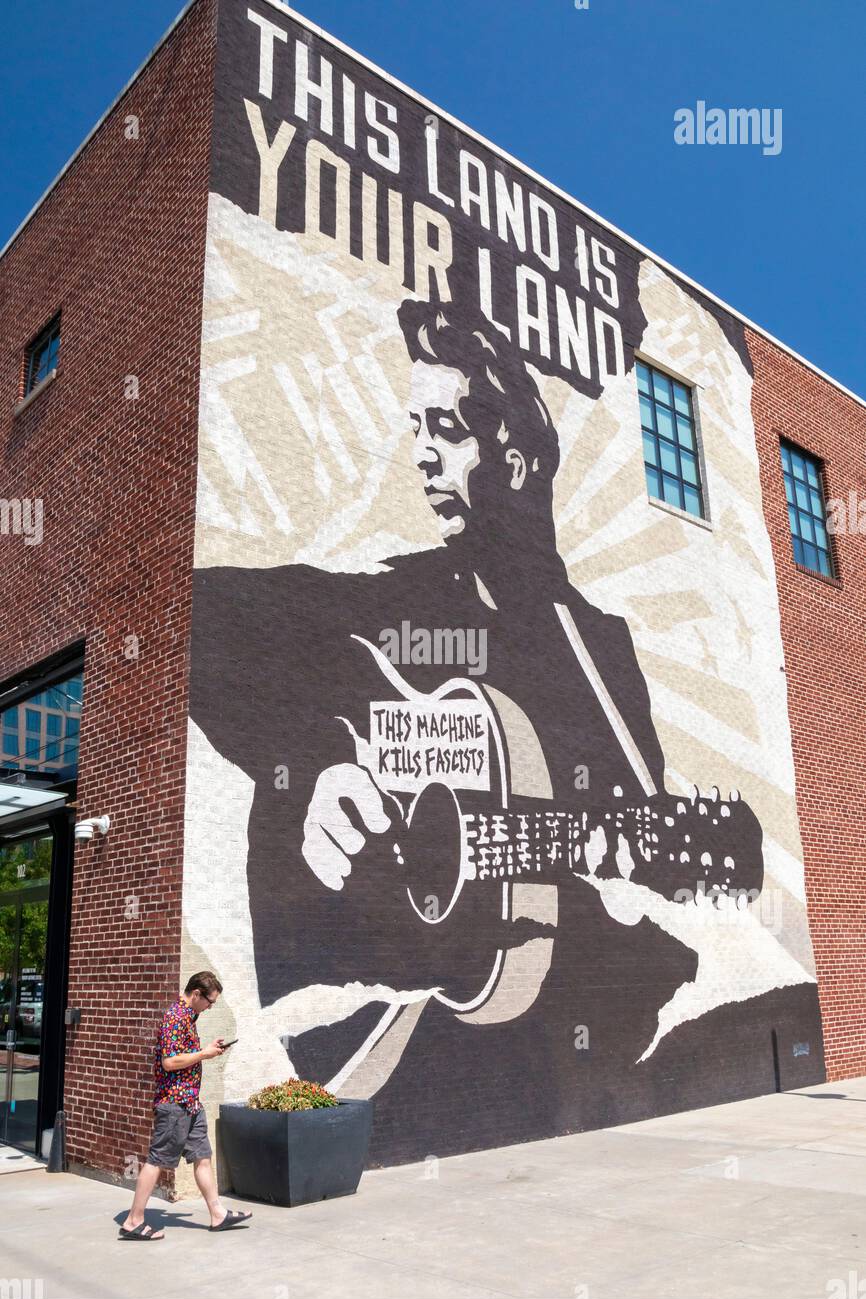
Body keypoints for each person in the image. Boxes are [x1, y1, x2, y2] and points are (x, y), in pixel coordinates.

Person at [189, 298, 824, 1166]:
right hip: (395, 1043)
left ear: (516, 458)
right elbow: (207, 612)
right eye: (417, 427)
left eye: (446, 430)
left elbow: (620, 871)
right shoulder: (397, 603)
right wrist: (319, 759)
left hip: (541, 1058)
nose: (421, 453)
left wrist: (629, 865)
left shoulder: (599, 652)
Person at [118, 971, 252, 1239]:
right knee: (157, 1160)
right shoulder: (175, 1018)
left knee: (202, 1156)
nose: (211, 1007)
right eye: (210, 1001)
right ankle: (134, 1221)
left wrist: (208, 1048)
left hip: (191, 1102)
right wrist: (204, 1053)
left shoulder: (190, 1017)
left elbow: (183, 1053)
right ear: (196, 994)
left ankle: (217, 1214)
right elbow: (169, 1062)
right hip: (174, 1103)